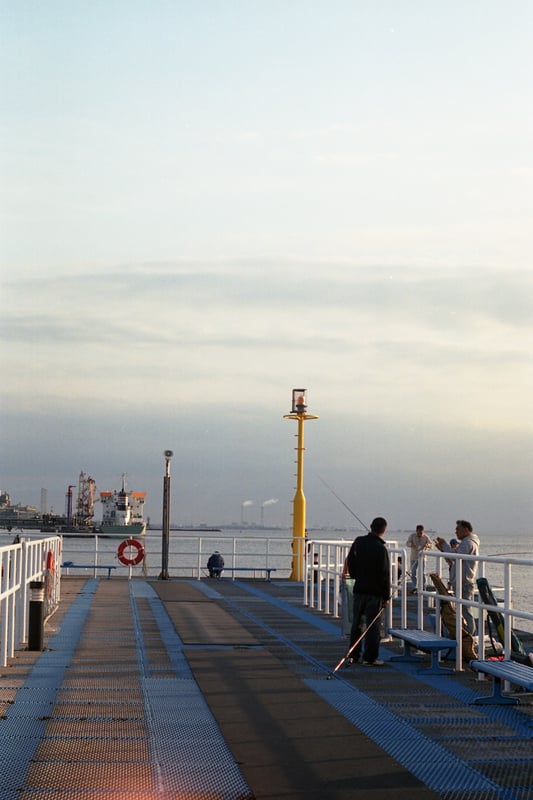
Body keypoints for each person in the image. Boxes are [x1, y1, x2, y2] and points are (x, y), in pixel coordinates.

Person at [346, 517, 391, 666]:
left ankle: (353, 655)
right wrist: (386, 595)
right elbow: (384, 575)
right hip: (375, 593)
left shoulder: (358, 541)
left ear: (371, 526)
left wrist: (355, 576)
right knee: (373, 626)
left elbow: (350, 561)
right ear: (383, 530)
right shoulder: (381, 549)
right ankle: (370, 657)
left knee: (356, 623)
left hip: (359, 589)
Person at [435, 521, 480, 636]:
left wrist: (445, 545)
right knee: (462, 609)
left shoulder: (468, 543)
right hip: (461, 581)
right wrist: (443, 550)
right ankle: (465, 633)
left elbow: (456, 556)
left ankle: (469, 635)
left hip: (464, 582)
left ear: (466, 530)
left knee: (466, 610)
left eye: (458, 529)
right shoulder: (466, 542)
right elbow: (454, 560)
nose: (456, 532)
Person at [405, 524, 432, 593]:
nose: (420, 534)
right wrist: (412, 545)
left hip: (422, 558)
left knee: (422, 573)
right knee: (413, 573)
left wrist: (427, 545)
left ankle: (423, 586)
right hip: (413, 557)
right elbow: (407, 543)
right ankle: (415, 586)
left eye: (421, 532)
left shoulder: (426, 537)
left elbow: (431, 545)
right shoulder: (412, 536)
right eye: (419, 532)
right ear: (416, 531)